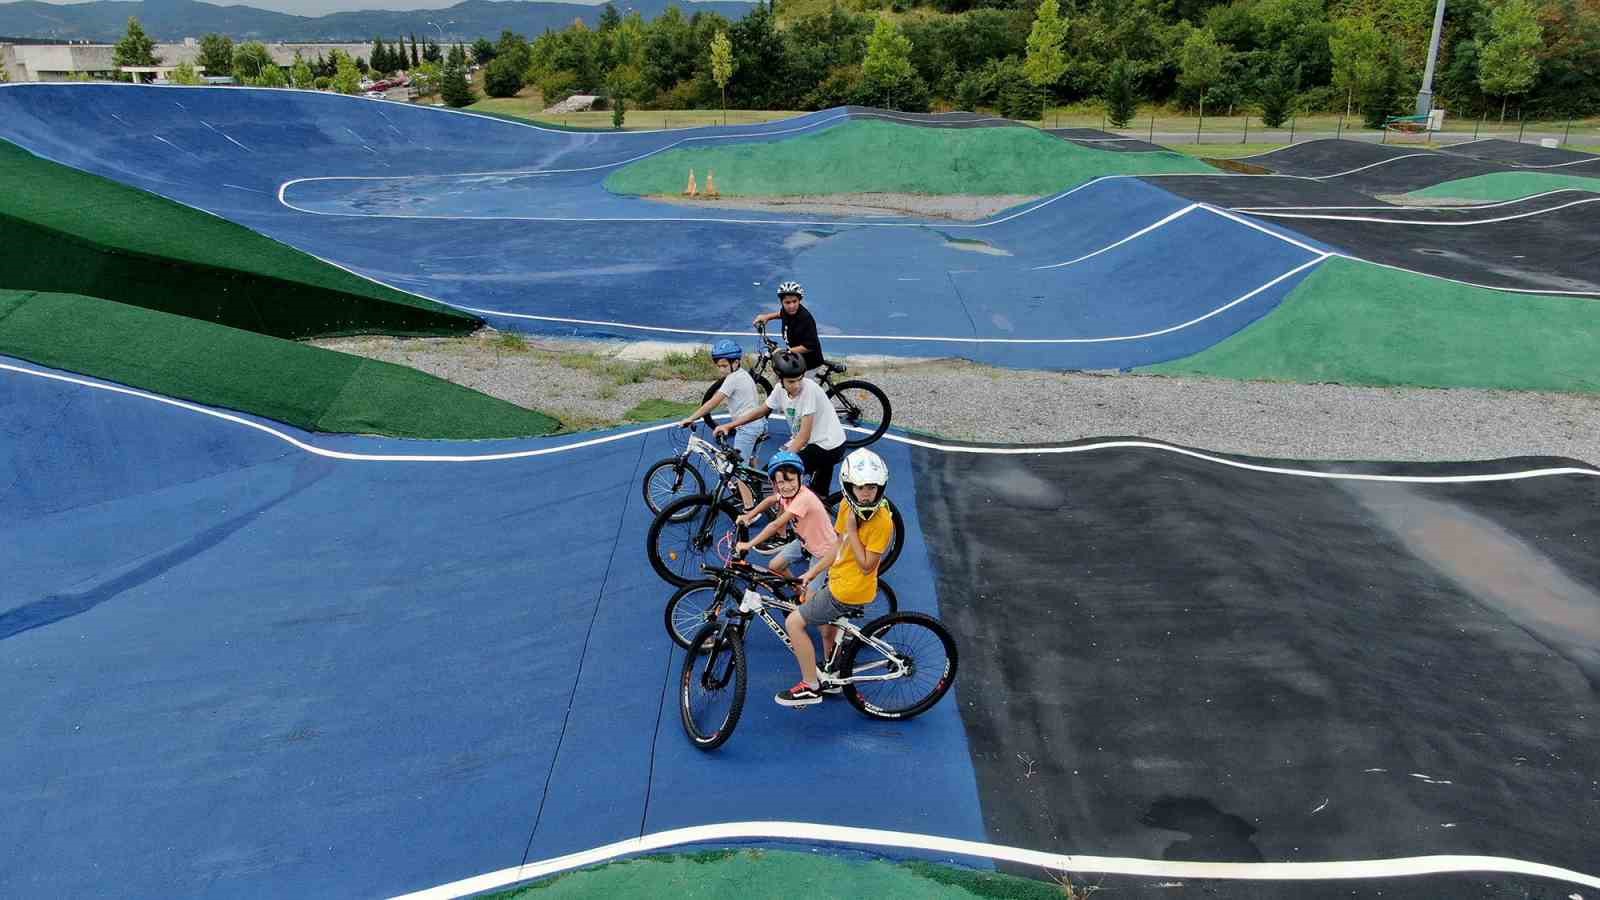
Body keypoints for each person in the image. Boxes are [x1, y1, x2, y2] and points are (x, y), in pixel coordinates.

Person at [774, 448, 894, 707]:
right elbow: (837, 548)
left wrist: (852, 529)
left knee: (794, 623)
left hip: (850, 589)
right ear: (848, 486)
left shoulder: (882, 522)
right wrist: (813, 572)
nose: (865, 493)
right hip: (839, 578)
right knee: (827, 630)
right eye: (859, 487)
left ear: (880, 487)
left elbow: (866, 566)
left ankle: (810, 685)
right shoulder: (846, 507)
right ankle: (833, 672)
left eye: (872, 488)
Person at [715, 350, 844, 499]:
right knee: (818, 495)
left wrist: (781, 461)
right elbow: (761, 411)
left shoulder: (810, 390)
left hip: (828, 445)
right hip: (813, 441)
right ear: (780, 379)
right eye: (791, 381)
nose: (797, 385)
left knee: (774, 473)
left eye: (800, 379)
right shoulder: (779, 390)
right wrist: (730, 426)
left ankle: (791, 510)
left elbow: (803, 437)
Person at [734, 452, 835, 587]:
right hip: (805, 541)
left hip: (823, 551)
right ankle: (799, 589)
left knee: (810, 597)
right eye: (781, 482)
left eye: (791, 480)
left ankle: (810, 599)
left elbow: (775, 525)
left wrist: (749, 544)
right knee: (775, 566)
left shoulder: (803, 498)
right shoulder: (787, 493)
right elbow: (770, 500)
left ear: (800, 478)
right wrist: (748, 515)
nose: (787, 486)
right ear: (774, 483)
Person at [678, 338, 766, 468]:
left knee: (739, 470)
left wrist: (691, 418)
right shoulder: (743, 374)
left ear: (736, 362)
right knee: (749, 462)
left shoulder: (732, 379)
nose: (721, 370)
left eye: (724, 366)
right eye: (719, 366)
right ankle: (755, 485)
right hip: (758, 424)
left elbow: (713, 402)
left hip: (747, 428)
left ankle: (745, 488)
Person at [752, 281, 824, 374]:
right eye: (787, 302)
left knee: (795, 387)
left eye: (795, 301)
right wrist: (767, 317)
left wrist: (785, 352)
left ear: (799, 300)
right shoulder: (787, 311)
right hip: (797, 359)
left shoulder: (805, 319)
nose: (791, 306)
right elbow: (781, 314)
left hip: (809, 365)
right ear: (782, 302)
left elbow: (809, 346)